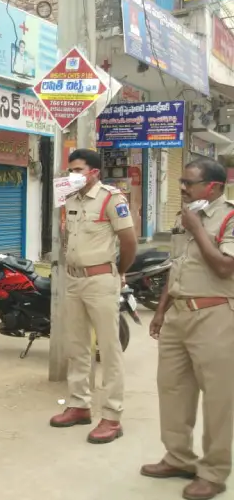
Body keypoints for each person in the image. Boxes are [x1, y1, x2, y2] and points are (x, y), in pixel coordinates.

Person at [142, 158, 234, 500]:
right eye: (181, 182)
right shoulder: (186, 218)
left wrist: (196, 227)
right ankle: (179, 457)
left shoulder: (228, 217)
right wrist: (161, 310)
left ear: (213, 187)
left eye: (189, 183)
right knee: (173, 389)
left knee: (218, 398)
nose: (182, 188)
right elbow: (176, 267)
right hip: (178, 314)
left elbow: (225, 267)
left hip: (215, 316)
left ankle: (214, 472)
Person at [50, 148, 137, 443]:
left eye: (77, 170)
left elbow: (128, 241)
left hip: (101, 279)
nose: (71, 175)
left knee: (109, 350)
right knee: (76, 345)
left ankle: (112, 416)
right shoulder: (69, 199)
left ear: (94, 173)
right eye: (69, 170)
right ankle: (78, 405)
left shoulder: (112, 199)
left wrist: (117, 271)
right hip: (73, 280)